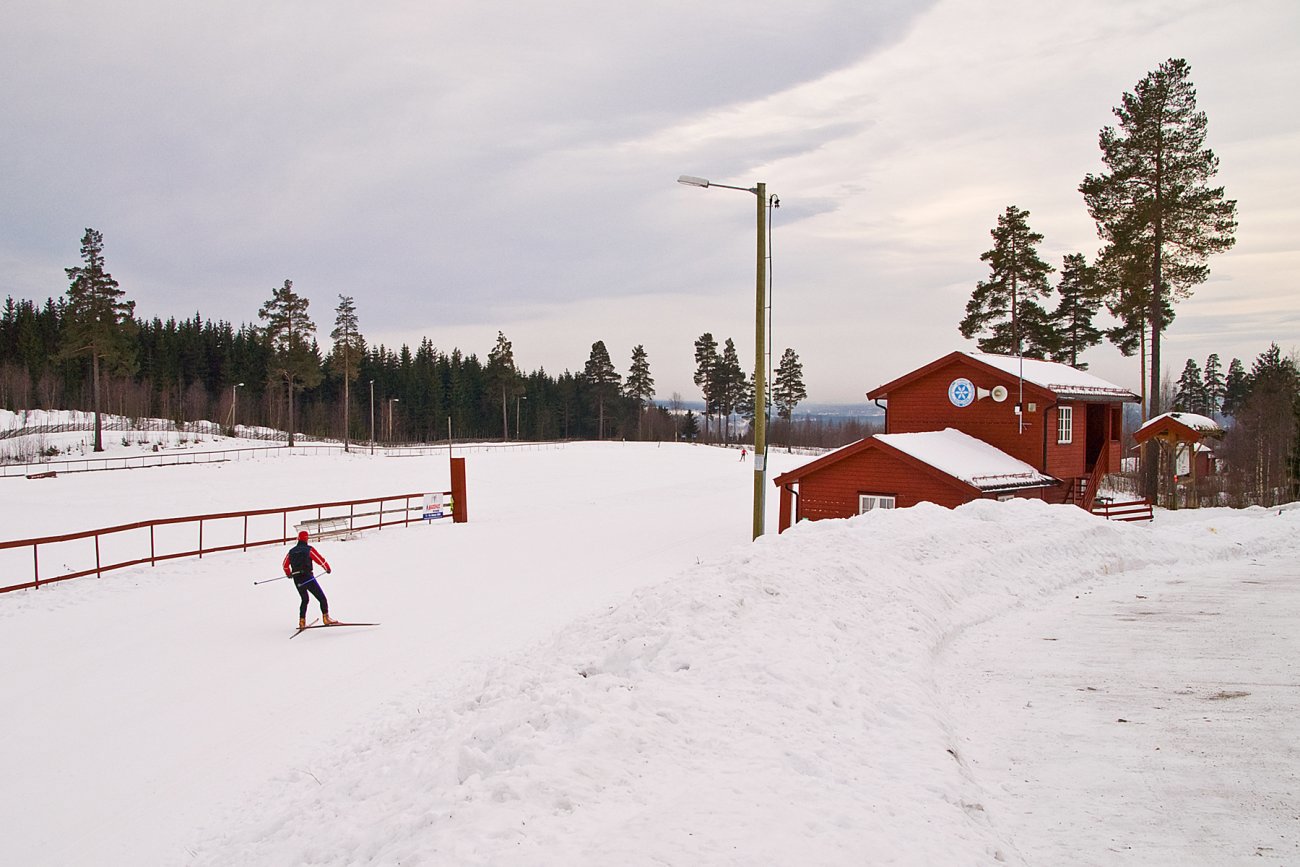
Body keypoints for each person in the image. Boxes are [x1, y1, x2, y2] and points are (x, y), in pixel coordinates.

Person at [283, 530, 334, 628]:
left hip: (297, 579)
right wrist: (327, 568)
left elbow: (285, 565)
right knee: (322, 598)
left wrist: (289, 574)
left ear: (298, 539)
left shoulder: (291, 551)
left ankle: (302, 622)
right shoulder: (309, 549)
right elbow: (319, 559)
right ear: (306, 539)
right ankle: (326, 618)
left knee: (304, 599)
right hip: (308, 577)